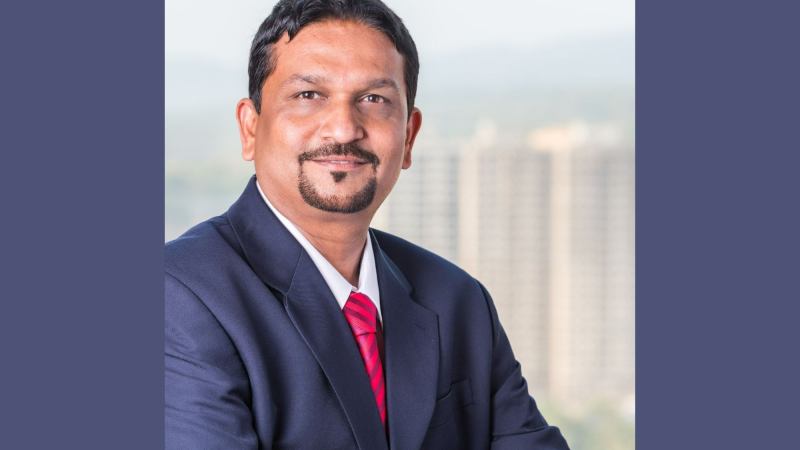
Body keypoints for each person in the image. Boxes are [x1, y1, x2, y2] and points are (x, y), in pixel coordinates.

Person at [165, 0, 570, 448]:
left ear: (409, 136)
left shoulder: (459, 301)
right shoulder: (179, 296)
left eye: (374, 100)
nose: (343, 129)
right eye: (308, 95)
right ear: (250, 127)